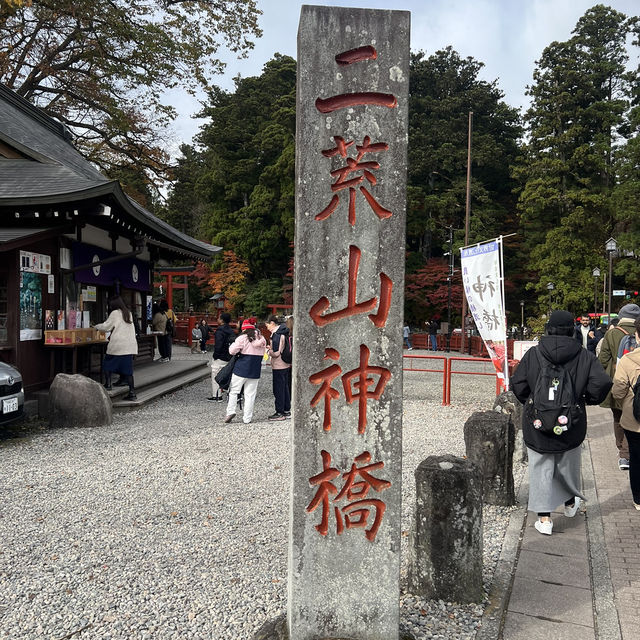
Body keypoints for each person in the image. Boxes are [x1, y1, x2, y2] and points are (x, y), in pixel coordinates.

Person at [511, 310, 611, 536]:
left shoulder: (535, 354)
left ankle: (544, 519)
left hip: (537, 421)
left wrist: (530, 402)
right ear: (571, 330)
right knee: (568, 464)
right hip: (571, 421)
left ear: (549, 329)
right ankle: (569, 504)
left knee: (540, 466)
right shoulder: (585, 356)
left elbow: (518, 384)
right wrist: (586, 399)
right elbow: (602, 383)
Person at [598, 304, 640, 470]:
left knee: (618, 417)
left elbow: (603, 359)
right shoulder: (637, 330)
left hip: (619, 379)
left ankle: (623, 453)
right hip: (637, 382)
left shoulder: (612, 333)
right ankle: (628, 451)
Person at [612, 316, 640, 510]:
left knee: (636, 459)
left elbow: (618, 391)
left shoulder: (629, 360)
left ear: (637, 336)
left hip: (634, 419)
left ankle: (638, 499)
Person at [95, 295, 139, 401]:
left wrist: (96, 326)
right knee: (128, 371)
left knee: (107, 364)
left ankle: (108, 384)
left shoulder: (115, 313)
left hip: (118, 345)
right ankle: (132, 393)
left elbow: (107, 326)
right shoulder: (128, 313)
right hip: (129, 346)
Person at [224, 318, 266, 424]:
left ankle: (230, 411)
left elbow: (232, 351)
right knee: (250, 394)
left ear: (244, 329)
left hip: (241, 368)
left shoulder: (243, 338)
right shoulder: (262, 338)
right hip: (255, 369)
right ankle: (247, 418)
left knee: (234, 391)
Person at [265, 315, 291, 421]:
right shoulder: (284, 332)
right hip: (285, 363)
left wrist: (268, 351)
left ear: (272, 323)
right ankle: (286, 410)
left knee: (278, 389)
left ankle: (279, 412)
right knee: (285, 387)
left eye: (267, 325)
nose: (267, 328)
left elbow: (276, 353)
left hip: (278, 364)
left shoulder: (276, 334)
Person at [209, 312, 236, 402]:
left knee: (215, 375)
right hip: (229, 356)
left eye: (219, 318)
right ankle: (230, 395)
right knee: (228, 375)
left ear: (222, 320)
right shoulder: (231, 331)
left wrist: (215, 356)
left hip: (220, 356)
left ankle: (217, 395)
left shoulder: (220, 331)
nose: (218, 320)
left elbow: (218, 345)